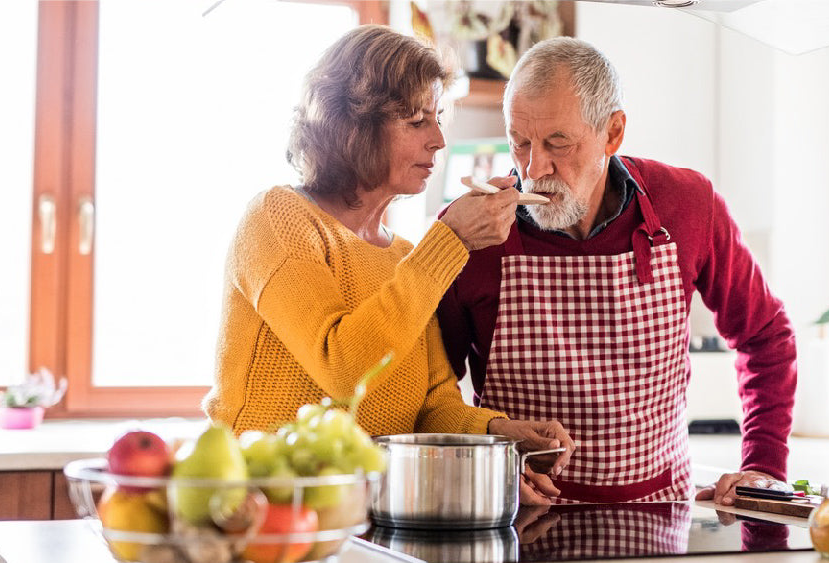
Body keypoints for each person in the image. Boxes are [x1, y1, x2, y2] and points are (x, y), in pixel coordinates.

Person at [201, 26, 574, 499]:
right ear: (350, 126)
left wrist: (502, 434)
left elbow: (434, 404)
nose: (438, 139)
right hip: (260, 511)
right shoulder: (277, 220)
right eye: (417, 120)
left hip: (364, 515)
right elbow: (344, 368)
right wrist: (451, 240)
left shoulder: (404, 256)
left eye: (437, 117)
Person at [437, 37, 797, 505]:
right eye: (519, 142)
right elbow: (433, 394)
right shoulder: (470, 234)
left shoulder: (687, 204)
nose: (533, 167)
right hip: (516, 520)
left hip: (659, 517)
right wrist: (486, 464)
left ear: (613, 133)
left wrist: (764, 465)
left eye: (557, 143)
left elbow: (767, 336)